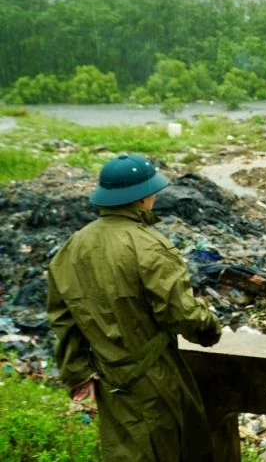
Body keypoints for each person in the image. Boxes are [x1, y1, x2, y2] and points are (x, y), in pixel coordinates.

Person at [47, 154, 222, 461]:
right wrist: (209, 328)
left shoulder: (72, 246)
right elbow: (181, 313)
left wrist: (77, 373)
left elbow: (63, 319)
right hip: (154, 375)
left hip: (108, 377)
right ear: (142, 199)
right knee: (169, 445)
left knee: (124, 449)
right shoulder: (149, 246)